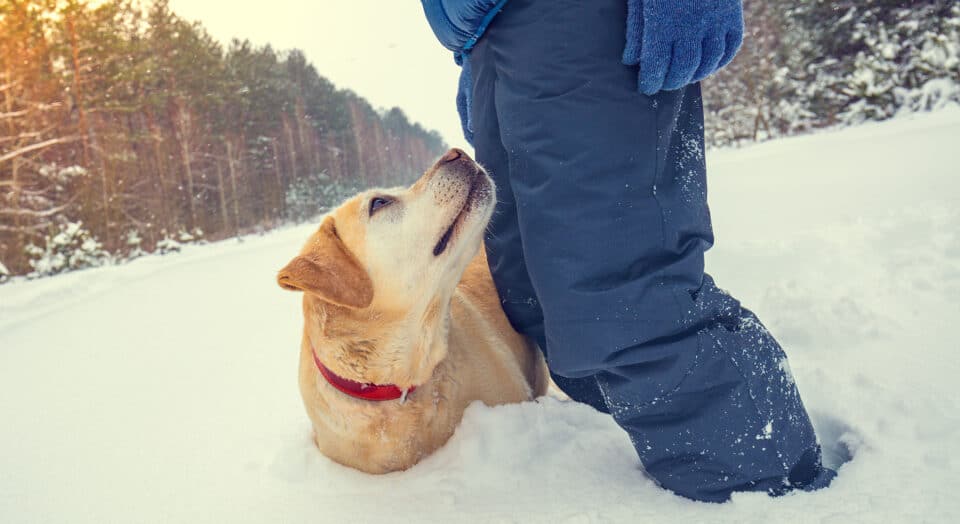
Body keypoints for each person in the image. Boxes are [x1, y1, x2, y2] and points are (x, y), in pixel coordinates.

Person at [420, 0, 835, 503]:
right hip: (490, 31)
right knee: (534, 297)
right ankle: (696, 459)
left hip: (581, 18)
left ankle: (773, 488)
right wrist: (474, 53)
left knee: (622, 298)